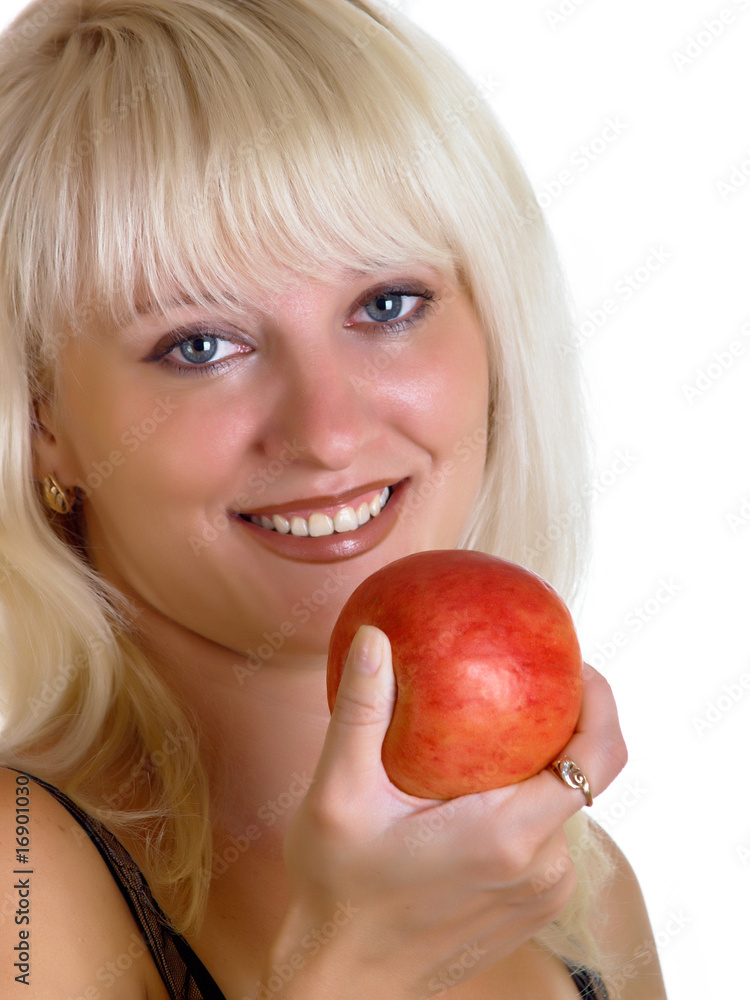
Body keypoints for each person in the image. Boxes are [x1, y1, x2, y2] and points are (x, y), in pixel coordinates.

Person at [0, 0, 667, 997]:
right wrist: (353, 971)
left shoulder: (577, 891)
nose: (327, 432)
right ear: (42, 417)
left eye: (387, 305)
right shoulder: (16, 876)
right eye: (200, 345)